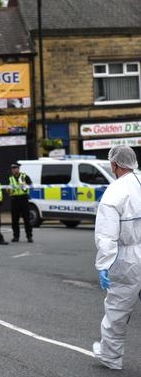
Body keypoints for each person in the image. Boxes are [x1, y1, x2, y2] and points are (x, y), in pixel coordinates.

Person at [93, 145, 141, 370]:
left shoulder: (114, 192)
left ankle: (110, 356)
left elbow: (107, 234)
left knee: (118, 308)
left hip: (128, 257)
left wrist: (104, 264)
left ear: (114, 164)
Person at [9, 163, 33, 243]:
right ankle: (16, 236)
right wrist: (9, 190)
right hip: (14, 199)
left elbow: (31, 184)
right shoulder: (10, 178)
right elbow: (7, 188)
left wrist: (24, 186)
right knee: (15, 220)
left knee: (26, 219)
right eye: (12, 169)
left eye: (15, 168)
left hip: (23, 199)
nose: (13, 170)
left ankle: (29, 236)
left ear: (18, 169)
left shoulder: (24, 176)